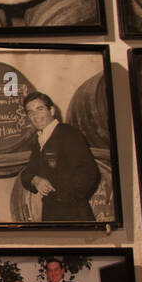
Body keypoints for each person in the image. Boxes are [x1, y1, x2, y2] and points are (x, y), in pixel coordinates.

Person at [19, 91, 99, 222]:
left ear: (52, 110)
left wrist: (62, 198)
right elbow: (27, 173)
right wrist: (35, 180)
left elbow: (89, 172)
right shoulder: (39, 140)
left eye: (40, 109)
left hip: (74, 215)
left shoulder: (68, 134)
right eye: (30, 112)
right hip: (52, 213)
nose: (35, 116)